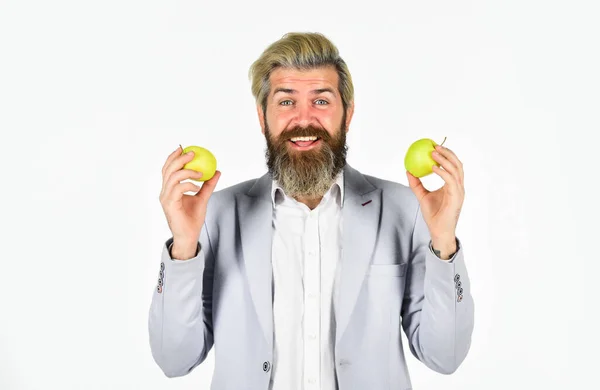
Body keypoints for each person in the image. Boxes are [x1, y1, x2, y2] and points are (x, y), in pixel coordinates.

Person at [148, 32, 474, 390]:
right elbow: (174, 360)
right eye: (286, 102)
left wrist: (444, 243)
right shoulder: (215, 215)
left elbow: (445, 356)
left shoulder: (405, 210)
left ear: (347, 114)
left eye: (321, 101)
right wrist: (183, 247)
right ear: (262, 117)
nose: (304, 119)